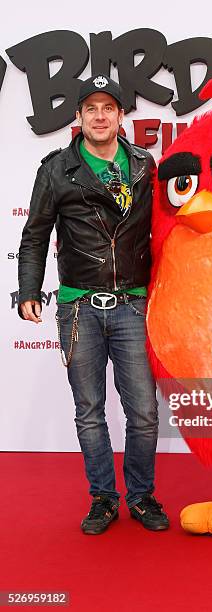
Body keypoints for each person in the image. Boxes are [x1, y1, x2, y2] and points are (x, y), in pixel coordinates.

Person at [18, 74, 169, 535]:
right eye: (91, 109)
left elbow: (165, 231)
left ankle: (141, 496)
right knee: (90, 411)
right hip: (79, 307)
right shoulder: (56, 170)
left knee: (143, 411)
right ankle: (103, 498)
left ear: (121, 116)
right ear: (79, 117)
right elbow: (35, 235)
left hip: (134, 305)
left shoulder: (146, 166)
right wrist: (28, 290)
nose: (99, 116)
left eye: (108, 108)